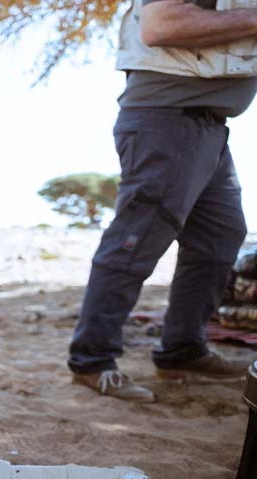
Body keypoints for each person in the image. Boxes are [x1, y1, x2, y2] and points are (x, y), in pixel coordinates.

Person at [68, 0, 257, 402]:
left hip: (208, 124)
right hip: (168, 117)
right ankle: (92, 360)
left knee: (221, 235)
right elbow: (160, 25)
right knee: (138, 237)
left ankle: (182, 349)